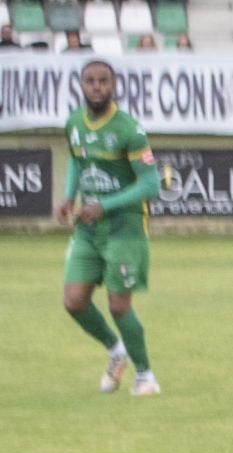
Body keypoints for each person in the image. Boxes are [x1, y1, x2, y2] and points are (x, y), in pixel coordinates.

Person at [58, 60, 161, 397]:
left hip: (124, 227)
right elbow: (77, 158)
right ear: (81, 85)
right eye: (90, 81)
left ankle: (145, 376)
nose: (97, 87)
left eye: (103, 81)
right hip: (88, 228)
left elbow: (150, 185)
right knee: (74, 301)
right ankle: (116, 352)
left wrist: (104, 205)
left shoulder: (129, 129)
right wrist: (68, 196)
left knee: (119, 305)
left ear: (113, 85)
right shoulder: (74, 123)